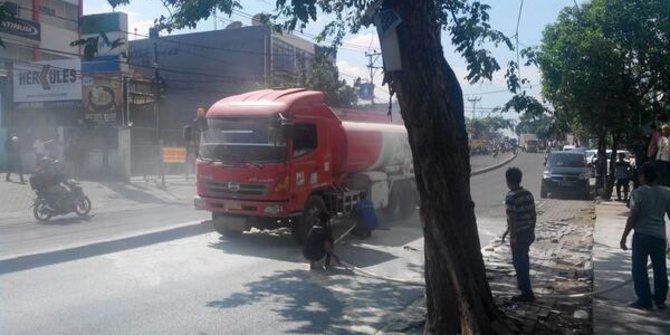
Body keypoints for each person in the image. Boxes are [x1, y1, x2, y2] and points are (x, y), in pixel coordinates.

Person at [620, 162, 670, 310]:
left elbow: (633, 216)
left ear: (642, 176)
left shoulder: (638, 193)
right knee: (660, 268)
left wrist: (624, 237)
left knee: (639, 269)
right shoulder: (666, 192)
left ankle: (644, 300)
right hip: (659, 237)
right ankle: (660, 300)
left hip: (642, 236)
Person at [504, 167, 537, 302]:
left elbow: (512, 218)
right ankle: (526, 290)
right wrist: (532, 229)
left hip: (519, 234)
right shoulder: (528, 194)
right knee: (524, 260)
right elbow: (533, 213)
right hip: (528, 231)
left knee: (519, 263)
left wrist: (512, 237)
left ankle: (526, 292)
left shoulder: (510, 197)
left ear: (508, 181)